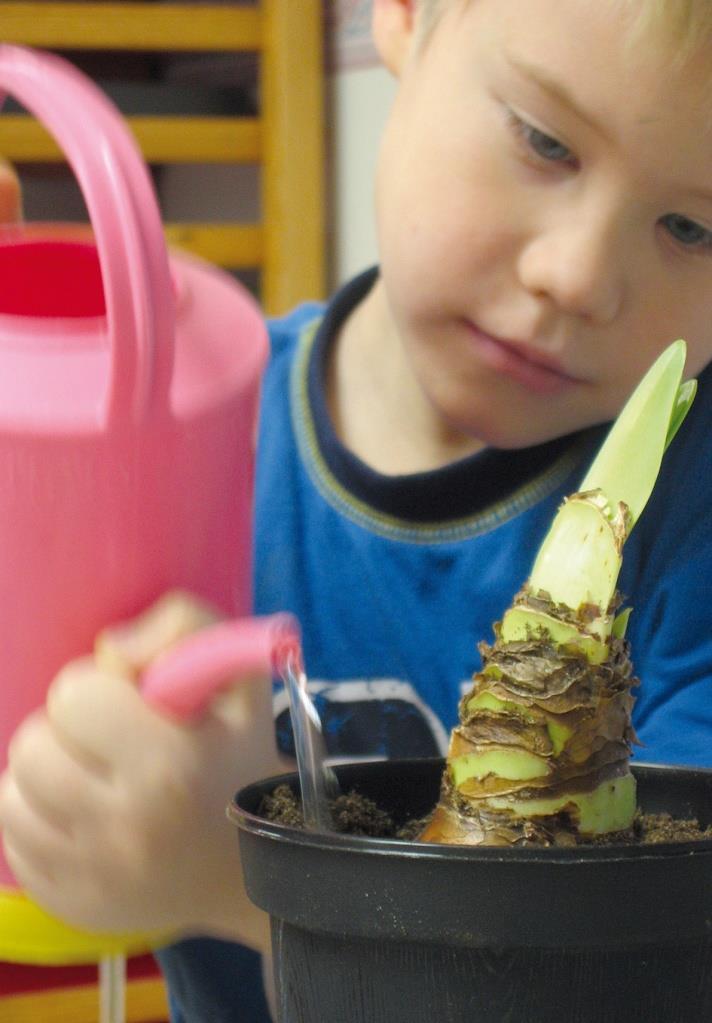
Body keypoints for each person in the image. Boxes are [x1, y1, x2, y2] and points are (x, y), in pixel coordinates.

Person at [3, 0, 712, 1018]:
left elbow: (632, 986)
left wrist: (241, 877)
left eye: (691, 225)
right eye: (545, 141)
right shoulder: (205, 443)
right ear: (407, 13)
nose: (577, 278)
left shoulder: (685, 531)